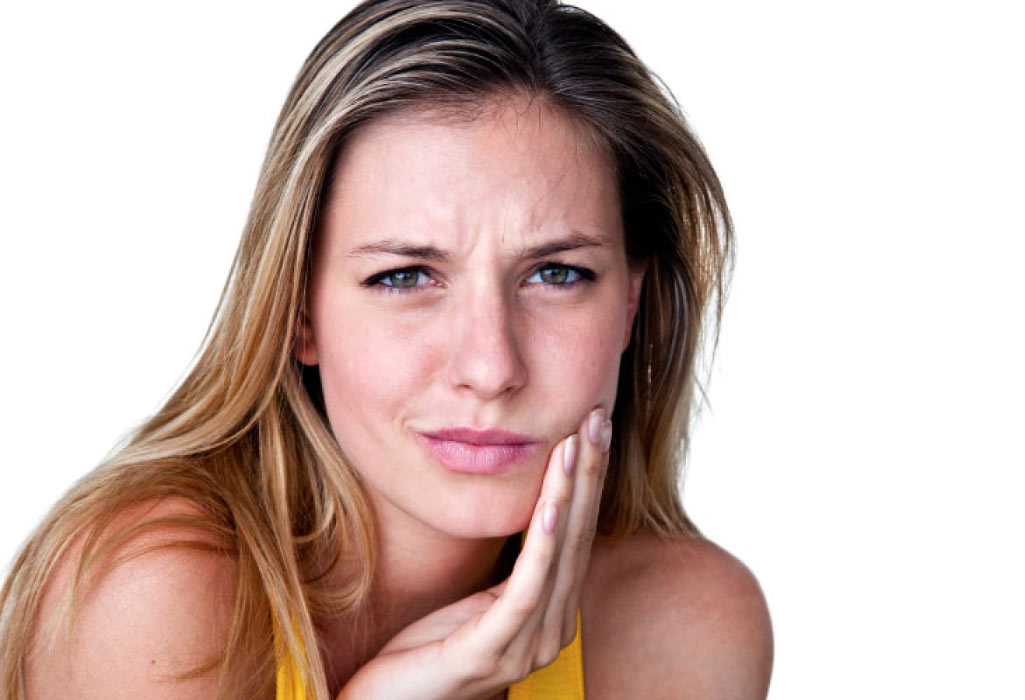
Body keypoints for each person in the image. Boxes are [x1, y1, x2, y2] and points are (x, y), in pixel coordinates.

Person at [0, 1, 772, 698]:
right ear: (298, 310)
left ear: (630, 302)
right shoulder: (153, 594)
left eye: (555, 273)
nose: (490, 366)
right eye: (405, 276)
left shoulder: (679, 625)